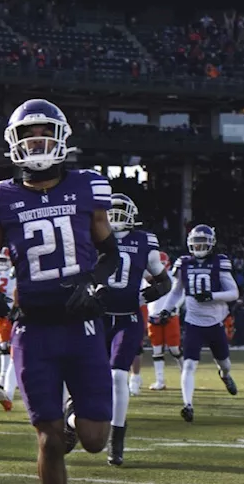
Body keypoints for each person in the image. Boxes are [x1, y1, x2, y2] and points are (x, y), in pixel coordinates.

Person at [0, 99, 121, 484]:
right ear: (14, 143)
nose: (37, 143)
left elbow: (110, 252)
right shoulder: (1, 196)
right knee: (48, 439)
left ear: (61, 138)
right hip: (32, 330)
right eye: (28, 134)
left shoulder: (88, 186)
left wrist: (94, 283)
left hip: (83, 326)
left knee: (94, 440)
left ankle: (73, 418)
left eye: (44, 133)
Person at [103, 192, 170, 465]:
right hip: (96, 317)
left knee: (119, 375)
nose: (115, 217)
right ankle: (71, 420)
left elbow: (164, 283)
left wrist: (142, 298)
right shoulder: (94, 236)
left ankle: (116, 439)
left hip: (128, 318)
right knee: (85, 374)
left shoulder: (144, 240)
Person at [159, 224, 239, 423]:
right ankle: (188, 405)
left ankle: (225, 375)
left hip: (215, 322)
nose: (199, 247)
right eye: (196, 243)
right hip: (193, 322)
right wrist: (167, 309)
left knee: (225, 363)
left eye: (203, 243)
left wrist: (212, 295)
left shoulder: (219, 262)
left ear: (211, 244)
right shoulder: (184, 263)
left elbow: (234, 293)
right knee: (188, 365)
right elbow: (177, 290)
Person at [144, 250, 180, 390]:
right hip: (153, 316)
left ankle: (185, 373)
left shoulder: (172, 276)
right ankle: (160, 380)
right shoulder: (147, 278)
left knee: (174, 349)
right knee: (156, 350)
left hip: (170, 315)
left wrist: (173, 308)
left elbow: (179, 294)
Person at [0, 247, 18, 411]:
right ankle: (7, 388)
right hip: (13, 312)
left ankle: (5, 384)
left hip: (1, 312)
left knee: (8, 349)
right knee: (13, 351)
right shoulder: (13, 271)